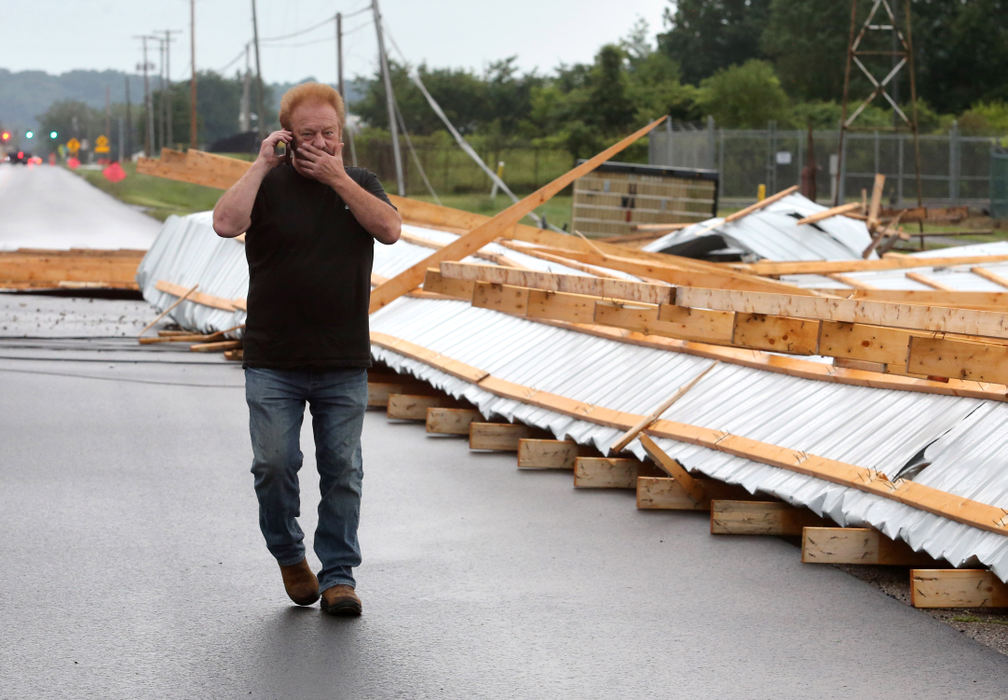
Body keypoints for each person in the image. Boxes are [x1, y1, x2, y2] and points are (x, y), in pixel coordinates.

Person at [212, 82, 401, 616]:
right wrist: (259, 166)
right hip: (274, 358)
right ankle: (290, 554)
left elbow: (389, 230)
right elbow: (225, 224)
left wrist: (338, 179)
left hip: (342, 358)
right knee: (274, 464)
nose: (319, 142)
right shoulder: (267, 185)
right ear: (286, 138)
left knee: (342, 469)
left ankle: (339, 576)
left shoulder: (360, 184)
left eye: (328, 133)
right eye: (307, 134)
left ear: (341, 135)